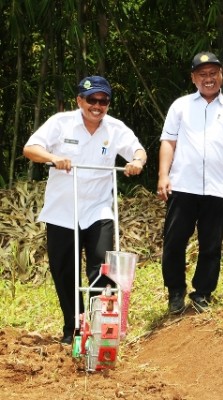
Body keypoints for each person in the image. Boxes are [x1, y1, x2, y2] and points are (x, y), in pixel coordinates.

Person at [23, 75, 147, 345]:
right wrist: (54, 157)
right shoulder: (60, 123)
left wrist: (136, 161)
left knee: (103, 266)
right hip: (62, 210)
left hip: (98, 208)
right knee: (65, 270)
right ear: (80, 100)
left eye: (103, 101)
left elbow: (137, 149)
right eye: (92, 100)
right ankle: (74, 328)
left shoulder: (115, 129)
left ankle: (102, 328)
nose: (97, 106)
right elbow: (30, 148)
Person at [157, 51, 223, 315]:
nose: (208, 79)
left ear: (221, 75)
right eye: (202, 74)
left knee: (211, 244)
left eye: (213, 73)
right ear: (193, 78)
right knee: (174, 241)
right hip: (182, 186)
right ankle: (176, 292)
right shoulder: (180, 106)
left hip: (217, 188)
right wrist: (163, 175)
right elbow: (168, 142)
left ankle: (202, 293)